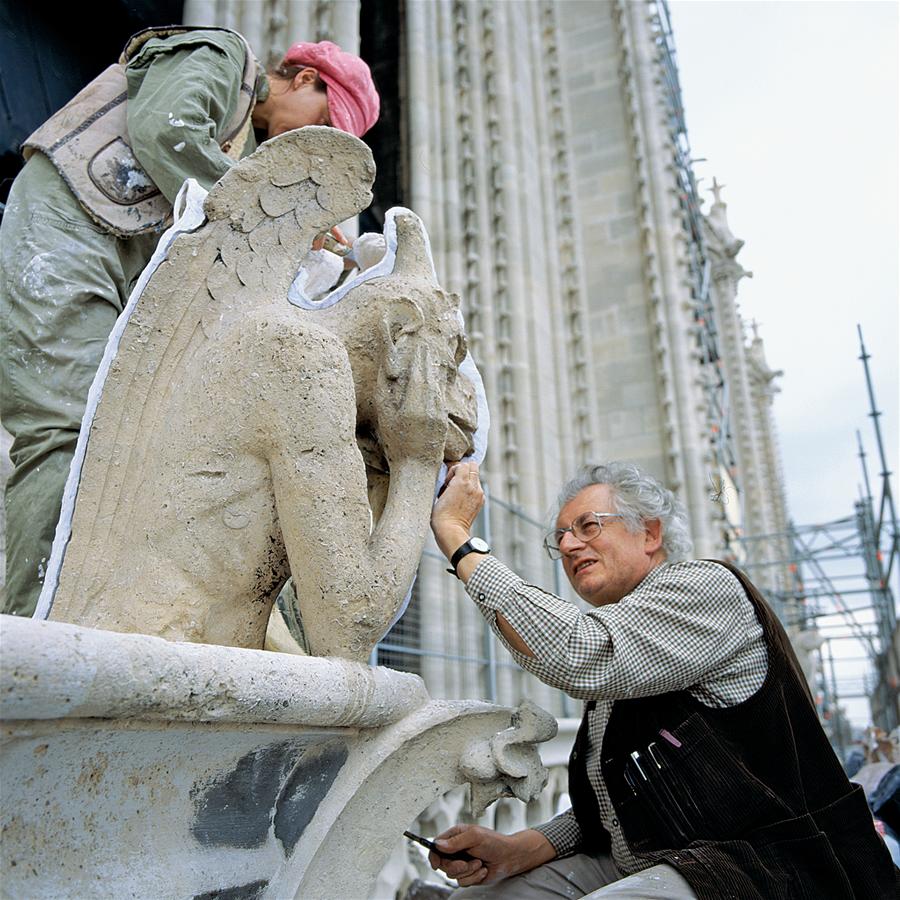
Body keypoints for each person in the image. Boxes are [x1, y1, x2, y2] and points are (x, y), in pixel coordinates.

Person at [0, 26, 379, 617]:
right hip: (64, 231)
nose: (314, 143)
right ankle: (33, 624)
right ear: (305, 79)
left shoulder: (241, 153)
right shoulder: (223, 55)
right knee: (68, 431)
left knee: (107, 440)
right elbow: (165, 132)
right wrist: (275, 212)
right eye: (325, 124)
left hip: (111, 266)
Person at [428, 461, 898, 898]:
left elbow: (575, 653)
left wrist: (458, 537)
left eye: (589, 526)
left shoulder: (706, 589)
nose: (569, 546)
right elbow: (615, 804)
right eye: (560, 538)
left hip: (770, 868)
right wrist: (522, 848)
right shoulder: (631, 635)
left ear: (650, 533)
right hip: (656, 859)